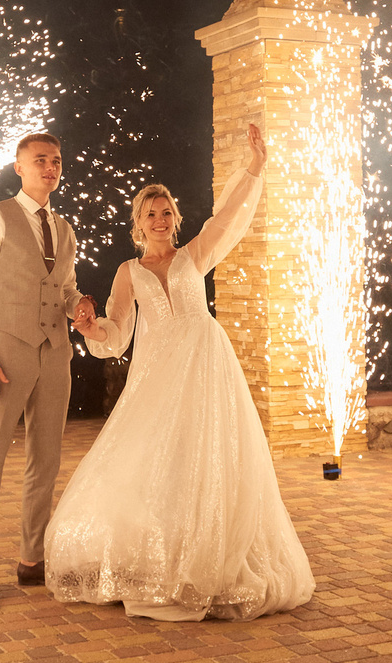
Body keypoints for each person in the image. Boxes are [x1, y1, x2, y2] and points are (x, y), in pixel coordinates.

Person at [48, 121, 314, 621]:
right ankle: (163, 553)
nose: (160, 218)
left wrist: (256, 165)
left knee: (210, 454)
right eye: (151, 212)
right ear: (138, 222)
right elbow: (117, 332)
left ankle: (212, 550)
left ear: (174, 216)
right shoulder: (128, 272)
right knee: (162, 460)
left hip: (208, 368)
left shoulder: (195, 254)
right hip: (159, 376)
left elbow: (230, 216)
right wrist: (88, 327)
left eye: (166, 210)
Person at [0, 132, 82, 611]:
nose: (49, 168)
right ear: (19, 167)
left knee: (45, 461)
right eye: (39, 161)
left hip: (56, 354)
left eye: (56, 160)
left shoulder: (65, 229)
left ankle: (32, 560)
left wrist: (80, 308)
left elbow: (65, 290)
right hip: (4, 354)